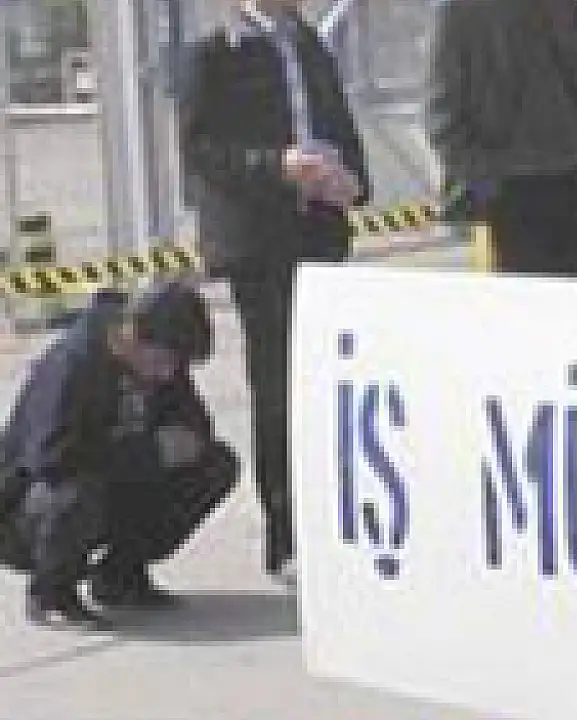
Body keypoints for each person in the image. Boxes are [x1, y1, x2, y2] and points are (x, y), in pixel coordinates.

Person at [178, 0, 370, 580]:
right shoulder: (216, 49)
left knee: (326, 380)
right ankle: (285, 532)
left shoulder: (309, 44)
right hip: (259, 243)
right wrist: (275, 166)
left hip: (320, 230)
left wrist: (353, 180)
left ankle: (332, 520)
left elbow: (337, 121)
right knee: (278, 382)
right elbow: (200, 152)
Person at [0, 284, 237, 630]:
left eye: (177, 365)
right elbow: (51, 458)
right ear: (130, 335)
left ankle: (119, 575)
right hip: (33, 507)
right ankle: (51, 593)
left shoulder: (163, 365)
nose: (168, 374)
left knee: (215, 465)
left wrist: (183, 443)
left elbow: (195, 428)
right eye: (164, 361)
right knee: (77, 490)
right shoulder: (74, 363)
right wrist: (149, 452)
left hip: (111, 483)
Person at [424, 0, 577, 278]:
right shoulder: (465, 10)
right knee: (530, 296)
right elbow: (443, 108)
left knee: (575, 296)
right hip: (514, 185)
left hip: (572, 176)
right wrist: (481, 176)